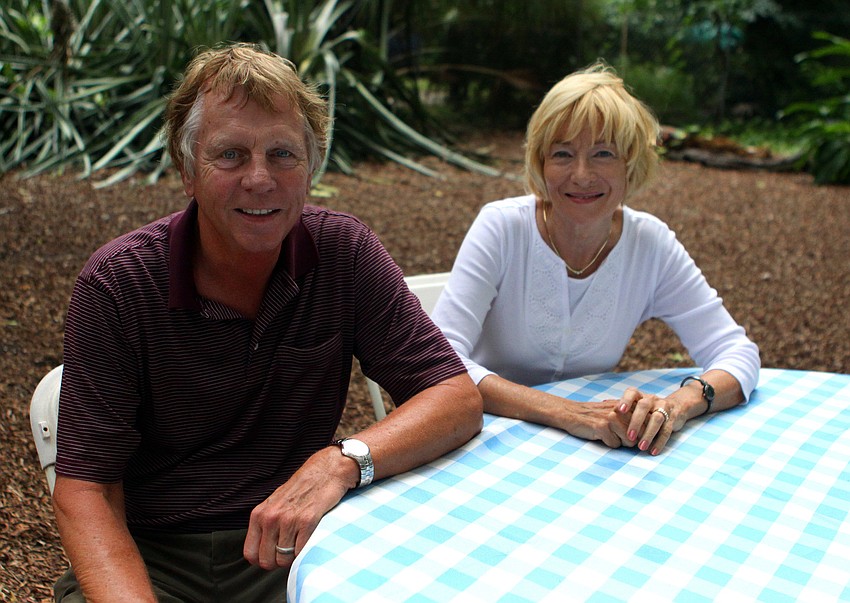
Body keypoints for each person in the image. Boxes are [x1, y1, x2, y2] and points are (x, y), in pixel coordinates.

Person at [51, 43, 482, 602]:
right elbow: (86, 486)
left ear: (311, 167)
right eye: (230, 155)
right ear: (187, 171)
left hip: (302, 544)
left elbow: (453, 396)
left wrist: (343, 462)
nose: (260, 178)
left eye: (282, 154)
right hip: (156, 555)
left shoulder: (343, 252)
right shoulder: (118, 283)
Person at [431, 61, 759, 458]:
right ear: (540, 163)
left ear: (631, 163)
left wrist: (676, 405)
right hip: (485, 439)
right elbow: (443, 359)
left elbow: (737, 352)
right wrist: (566, 412)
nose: (582, 175)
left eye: (603, 154)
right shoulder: (502, 228)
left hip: (592, 450)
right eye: (563, 154)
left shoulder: (650, 244)